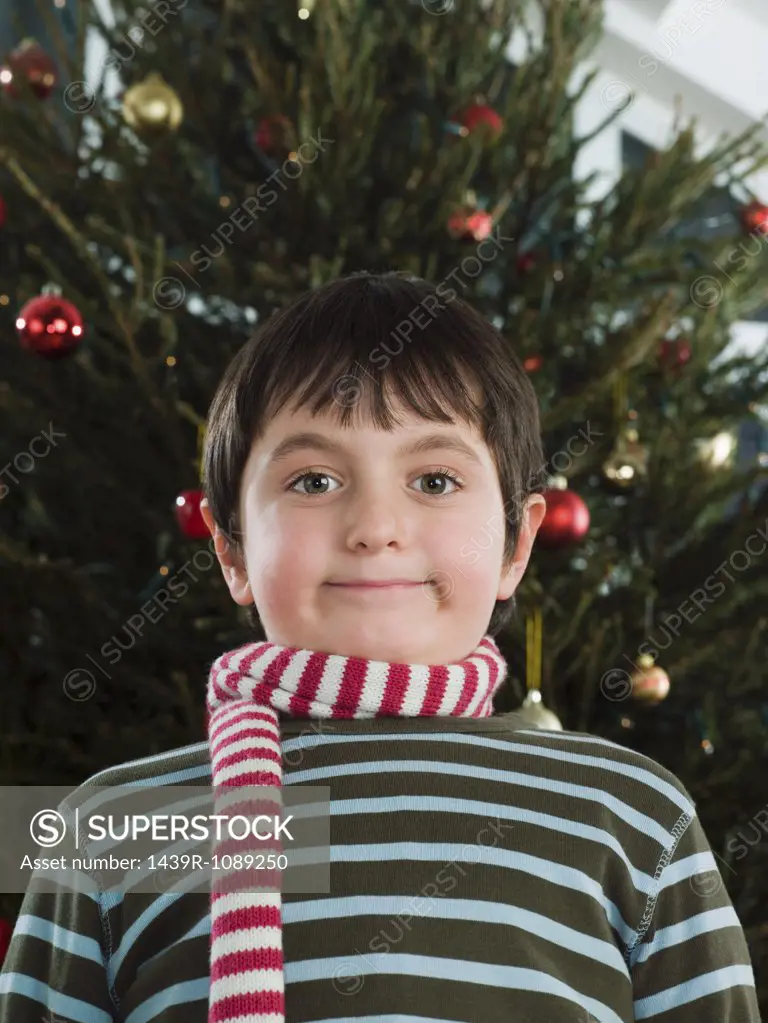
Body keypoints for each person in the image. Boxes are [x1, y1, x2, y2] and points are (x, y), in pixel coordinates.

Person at [0, 271, 759, 1023]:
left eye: (433, 479)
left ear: (516, 544)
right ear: (231, 549)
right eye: (314, 479)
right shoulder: (113, 827)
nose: (374, 526)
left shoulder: (630, 813)